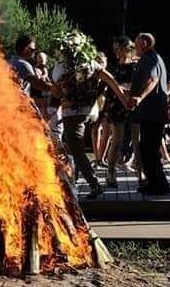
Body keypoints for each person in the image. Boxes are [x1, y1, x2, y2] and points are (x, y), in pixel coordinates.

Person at [50, 32, 127, 200]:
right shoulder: (92, 64)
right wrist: (124, 99)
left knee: (76, 150)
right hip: (88, 112)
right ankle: (75, 178)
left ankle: (94, 184)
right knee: (71, 147)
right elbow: (111, 80)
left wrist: (53, 105)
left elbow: (55, 92)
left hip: (71, 114)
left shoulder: (60, 67)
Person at [127, 33, 170, 196]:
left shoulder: (149, 59)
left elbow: (152, 81)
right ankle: (154, 183)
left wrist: (139, 97)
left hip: (152, 112)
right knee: (148, 148)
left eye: (136, 44)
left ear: (145, 43)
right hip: (152, 112)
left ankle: (159, 185)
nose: (134, 48)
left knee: (149, 149)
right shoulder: (155, 58)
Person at [103, 36, 138, 187]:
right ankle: (111, 174)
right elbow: (109, 87)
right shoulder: (113, 67)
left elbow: (141, 85)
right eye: (115, 49)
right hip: (116, 106)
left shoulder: (136, 66)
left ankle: (141, 174)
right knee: (117, 141)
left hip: (134, 105)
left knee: (137, 141)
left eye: (120, 48)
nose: (117, 52)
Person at [9, 34, 53, 102]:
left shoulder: (12, 61)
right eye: (33, 50)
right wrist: (56, 88)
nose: (34, 53)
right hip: (20, 104)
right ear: (26, 49)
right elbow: (40, 85)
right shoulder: (23, 64)